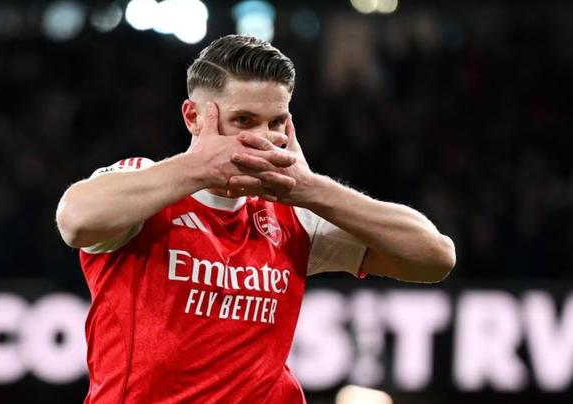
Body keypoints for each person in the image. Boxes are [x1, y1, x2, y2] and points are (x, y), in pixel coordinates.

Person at [56, 35, 455, 403]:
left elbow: (434, 258)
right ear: (193, 117)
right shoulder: (143, 185)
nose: (264, 139)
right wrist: (199, 168)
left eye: (276, 122)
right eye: (244, 121)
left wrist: (311, 188)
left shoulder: (296, 213)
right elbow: (75, 220)